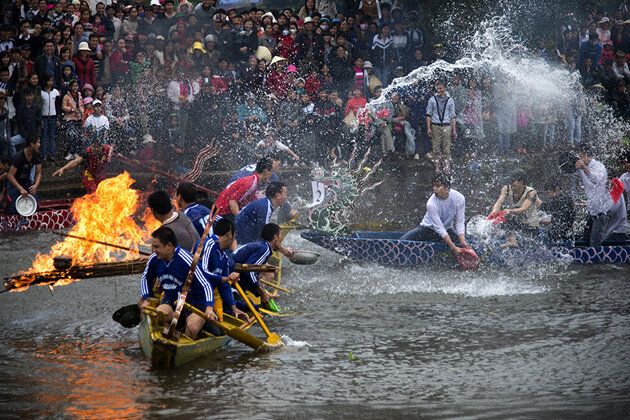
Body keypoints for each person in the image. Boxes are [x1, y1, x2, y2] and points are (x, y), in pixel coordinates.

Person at [139, 226, 218, 340]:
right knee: (158, 314)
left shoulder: (186, 260)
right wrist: (146, 299)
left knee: (192, 328)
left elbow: (206, 284)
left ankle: (184, 342)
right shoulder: (154, 259)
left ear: (169, 246)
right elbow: (145, 278)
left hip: (195, 305)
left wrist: (209, 308)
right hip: (172, 302)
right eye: (152, 247)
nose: (153, 251)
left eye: (156, 247)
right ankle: (170, 335)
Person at [400, 173, 470, 256]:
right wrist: (454, 248)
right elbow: (439, 228)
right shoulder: (431, 203)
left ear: (447, 187)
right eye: (433, 186)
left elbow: (459, 222)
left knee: (467, 246)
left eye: (438, 186)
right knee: (401, 242)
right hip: (427, 229)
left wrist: (462, 240)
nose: (434, 189)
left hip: (447, 229)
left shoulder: (459, 198)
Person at [232, 223, 288, 308]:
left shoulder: (261, 245)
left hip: (234, 279)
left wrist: (262, 293)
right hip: (229, 282)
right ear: (275, 237)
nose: (281, 239)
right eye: (280, 236)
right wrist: (262, 293)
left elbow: (251, 271)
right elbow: (249, 271)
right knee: (254, 309)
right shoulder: (264, 249)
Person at [234, 182, 295, 251]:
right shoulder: (265, 207)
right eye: (285, 193)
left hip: (239, 242)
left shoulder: (264, 203)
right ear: (277, 195)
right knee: (265, 248)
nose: (286, 197)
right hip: (240, 246)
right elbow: (265, 237)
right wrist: (282, 249)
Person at [574, 142, 614, 246]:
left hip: (603, 211)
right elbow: (565, 171)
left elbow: (595, 179)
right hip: (592, 210)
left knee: (594, 243)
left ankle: (598, 260)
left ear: (587, 155)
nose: (579, 160)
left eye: (580, 157)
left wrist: (584, 167)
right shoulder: (580, 167)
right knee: (585, 240)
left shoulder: (599, 166)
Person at [488, 168, 539, 247]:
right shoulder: (507, 188)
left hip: (531, 227)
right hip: (519, 224)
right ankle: (512, 240)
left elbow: (524, 208)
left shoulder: (531, 192)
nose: (510, 184)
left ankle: (514, 242)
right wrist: (494, 211)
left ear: (521, 182)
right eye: (510, 181)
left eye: (512, 182)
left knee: (509, 217)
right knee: (502, 219)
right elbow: (499, 201)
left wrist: (510, 211)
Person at [6, 134, 42, 215]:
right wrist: (20, 189)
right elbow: (10, 176)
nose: (39, 145)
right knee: (13, 209)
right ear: (32, 144)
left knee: (35, 208)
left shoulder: (37, 155)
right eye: (38, 143)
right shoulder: (19, 157)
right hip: (15, 185)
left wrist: (36, 185)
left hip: (27, 183)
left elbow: (38, 173)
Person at [426, 80, 457, 172]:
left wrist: (454, 130)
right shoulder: (432, 100)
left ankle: (447, 166)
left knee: (447, 147)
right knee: (435, 147)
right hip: (435, 125)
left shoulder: (450, 100)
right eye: (437, 88)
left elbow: (452, 115)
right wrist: (428, 128)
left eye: (441, 88)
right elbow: (428, 115)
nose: (439, 90)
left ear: (445, 88)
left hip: (447, 125)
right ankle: (437, 167)